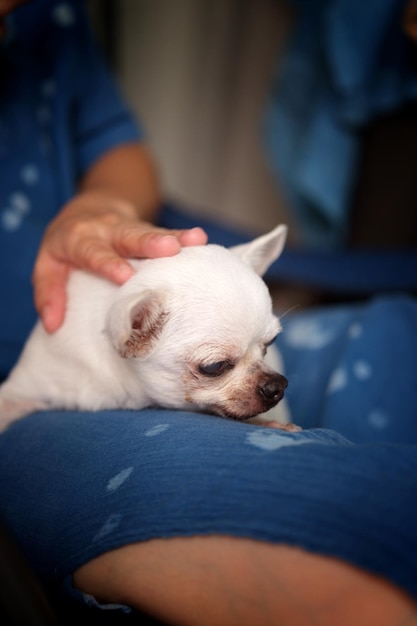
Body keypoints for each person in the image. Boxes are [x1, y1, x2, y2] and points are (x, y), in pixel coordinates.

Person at [0, 2, 416, 626]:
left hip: (143, 298)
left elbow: (120, 149)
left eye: (260, 350)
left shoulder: (49, 18)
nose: (264, 377)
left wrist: (106, 201)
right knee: (322, 516)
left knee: (397, 333)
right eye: (216, 365)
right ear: (134, 334)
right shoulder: (94, 353)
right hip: (45, 419)